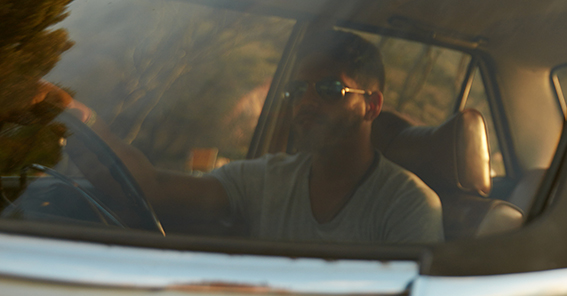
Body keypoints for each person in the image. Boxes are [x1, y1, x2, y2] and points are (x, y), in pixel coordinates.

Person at [66, 29, 443, 245]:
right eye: (296, 91)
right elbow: (153, 187)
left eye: (329, 89)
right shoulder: (266, 179)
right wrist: (85, 123)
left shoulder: (408, 206)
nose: (306, 102)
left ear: (372, 106)